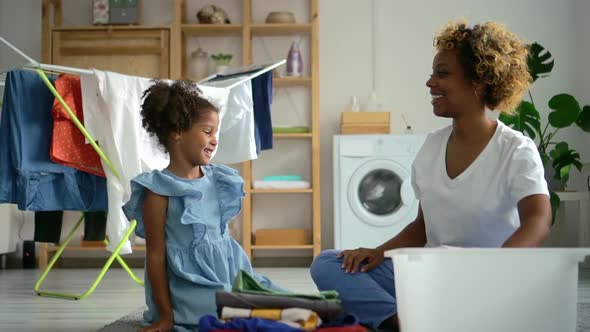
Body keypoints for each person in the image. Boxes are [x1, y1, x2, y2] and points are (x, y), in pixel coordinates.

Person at [310, 20, 552, 330]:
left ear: (478, 81)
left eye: (442, 74)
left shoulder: (515, 149)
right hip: (436, 274)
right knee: (330, 263)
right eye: (432, 74)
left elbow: (538, 220)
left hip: (490, 279)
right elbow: (422, 228)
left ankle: (426, 316)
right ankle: (405, 322)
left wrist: (498, 268)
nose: (430, 83)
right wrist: (377, 252)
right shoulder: (432, 146)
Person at [122, 81, 285, 332]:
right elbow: (155, 256)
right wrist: (165, 317)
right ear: (177, 132)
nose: (214, 140)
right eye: (208, 131)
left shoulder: (218, 179)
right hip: (190, 287)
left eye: (216, 133)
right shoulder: (159, 191)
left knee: (280, 301)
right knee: (238, 314)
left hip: (230, 275)